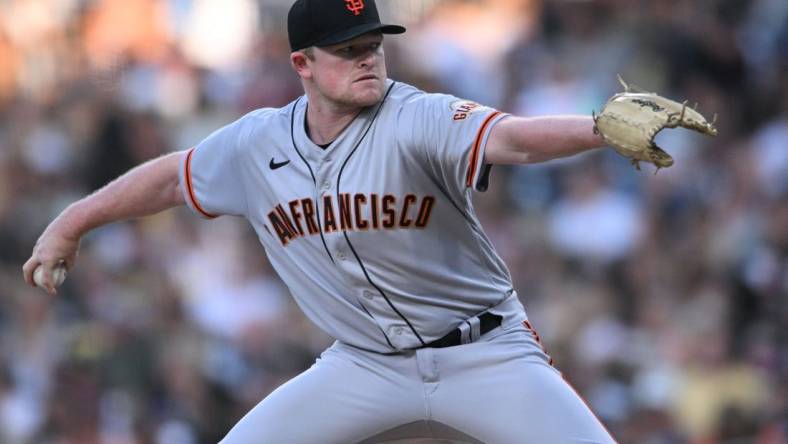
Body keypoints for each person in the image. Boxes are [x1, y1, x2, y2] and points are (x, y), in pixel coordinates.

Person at [24, 0, 616, 442]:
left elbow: (512, 140)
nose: (367, 60)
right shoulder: (259, 141)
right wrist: (72, 221)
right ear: (302, 64)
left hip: (484, 351)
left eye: (373, 46)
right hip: (364, 362)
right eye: (348, 50)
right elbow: (171, 178)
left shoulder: (417, 115)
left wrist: (601, 128)